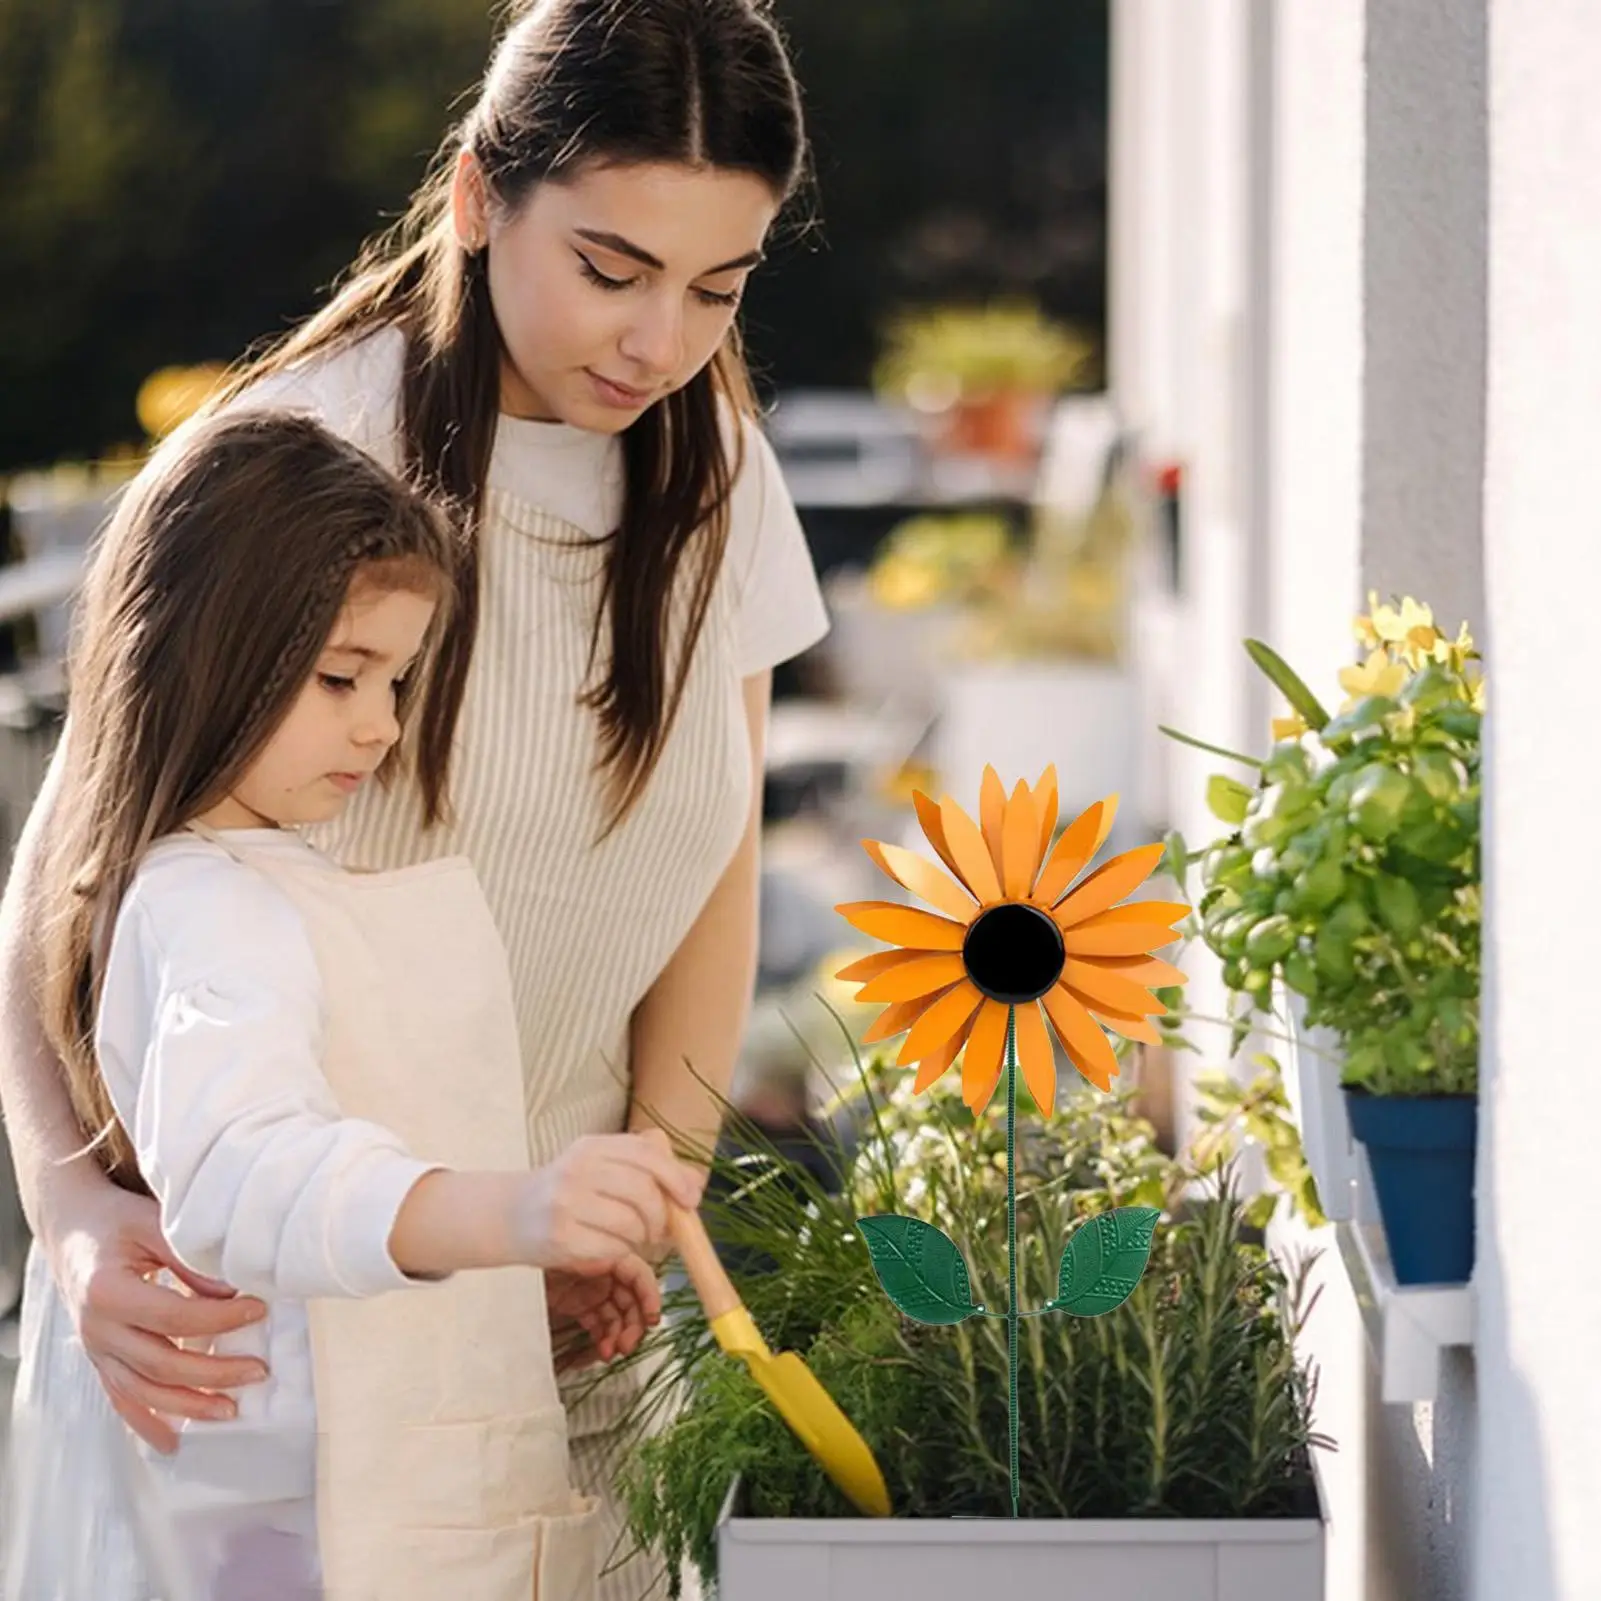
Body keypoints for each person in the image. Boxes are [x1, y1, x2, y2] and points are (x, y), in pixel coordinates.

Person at [0, 1, 828, 1594]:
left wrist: (621, 1222)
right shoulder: (293, 461)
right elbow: (70, 882)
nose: (656, 342)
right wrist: (68, 1213)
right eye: (608, 268)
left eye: (715, 289)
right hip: (268, 1379)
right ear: (473, 198)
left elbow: (713, 875)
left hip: (569, 1336)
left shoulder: (717, 470)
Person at [3, 410, 702, 1600]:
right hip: (276, 1538)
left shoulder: (253, 883)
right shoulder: (208, 904)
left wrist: (496, 1296)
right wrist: (513, 1213)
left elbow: (317, 1261)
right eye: (342, 676)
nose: (379, 723)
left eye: (395, 677)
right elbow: (247, 1174)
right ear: (202, 650)